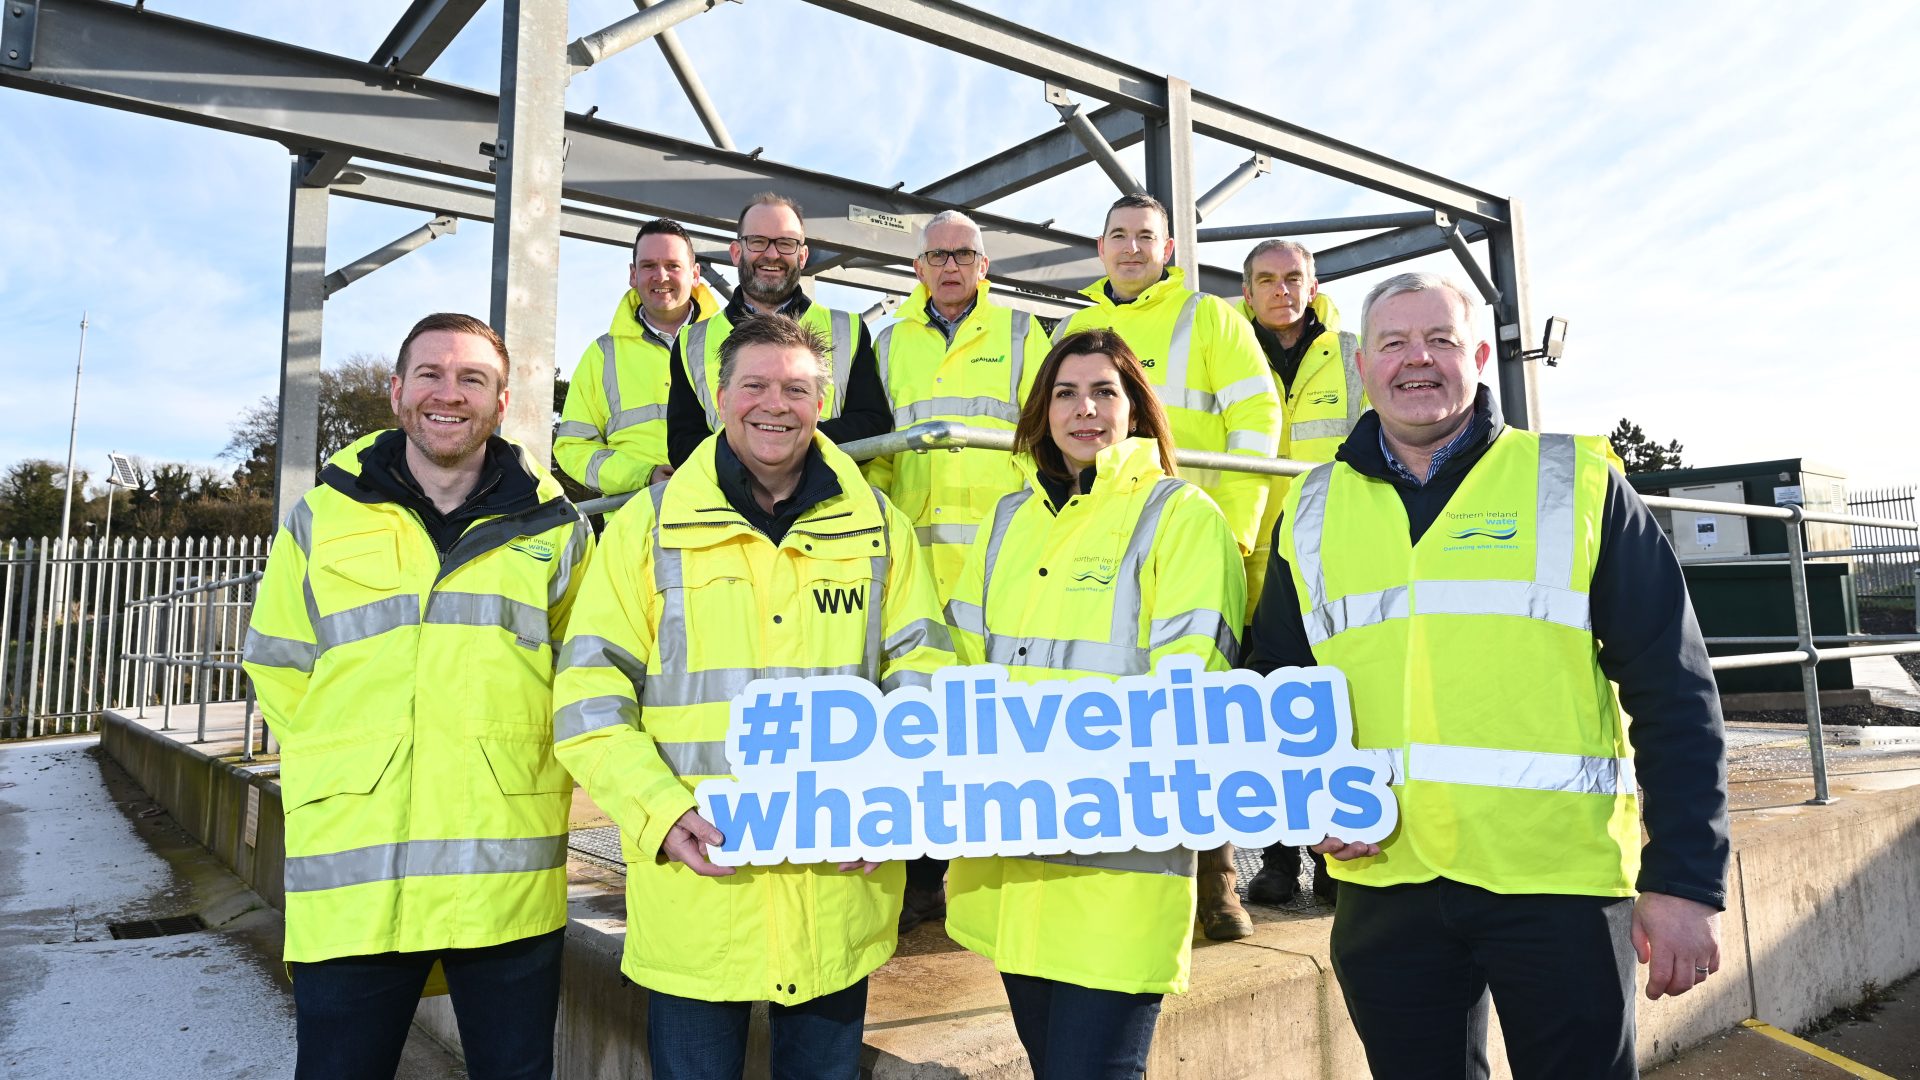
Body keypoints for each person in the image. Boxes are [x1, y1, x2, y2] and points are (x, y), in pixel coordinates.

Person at [1247, 272, 1729, 1079]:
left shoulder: (1573, 482)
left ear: (1478, 356)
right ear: (1362, 367)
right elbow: (1278, 685)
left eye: (1439, 340)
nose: (1417, 361)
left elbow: (1673, 690)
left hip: (1557, 883)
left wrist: (1684, 878)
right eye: (1395, 344)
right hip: (1383, 879)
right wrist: (1306, 803)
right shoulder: (1310, 506)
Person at [551, 313, 951, 1080]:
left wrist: (893, 797)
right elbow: (589, 694)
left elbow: (923, 673)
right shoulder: (649, 527)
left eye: (797, 388)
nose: (777, 404)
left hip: (835, 891)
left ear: (824, 399)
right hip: (701, 896)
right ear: (718, 394)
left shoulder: (879, 527)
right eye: (756, 385)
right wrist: (658, 812)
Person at [243, 313, 593, 1080]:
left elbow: (585, 679)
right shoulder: (324, 515)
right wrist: (349, 768)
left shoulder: (556, 527)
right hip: (359, 879)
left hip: (503, 871)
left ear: (502, 403)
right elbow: (278, 662)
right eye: (430, 374)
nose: (450, 393)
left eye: (474, 378)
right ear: (397, 390)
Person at [944, 328, 1246, 1079]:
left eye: (1105, 392)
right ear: (1042, 408)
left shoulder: (1181, 516)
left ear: (1137, 410)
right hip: (1012, 871)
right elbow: (955, 670)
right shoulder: (1005, 522)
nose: (1085, 410)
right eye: (1066, 392)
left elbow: (1193, 684)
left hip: (1116, 876)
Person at [1052, 192, 1280, 941]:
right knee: (1111, 712)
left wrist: (1233, 530)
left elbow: (1257, 423)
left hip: (1190, 539)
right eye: (1118, 235)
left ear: (1169, 248)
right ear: (1099, 245)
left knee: (1198, 712)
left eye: (1145, 236)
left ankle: (1216, 885)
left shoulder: (1212, 319)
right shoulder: (1074, 327)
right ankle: (1117, 877)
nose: (1130, 247)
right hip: (1101, 548)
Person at [864, 208, 1050, 932]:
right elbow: (872, 451)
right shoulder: (887, 344)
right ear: (917, 268)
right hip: (912, 562)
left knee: (989, 719)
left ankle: (980, 872)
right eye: (936, 255)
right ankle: (919, 877)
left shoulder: (1019, 336)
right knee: (912, 716)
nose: (949, 266)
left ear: (985, 266)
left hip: (998, 559)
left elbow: (1045, 437)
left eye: (963, 255)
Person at [1235, 238, 1366, 907]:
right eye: (1267, 280)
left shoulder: (1352, 355)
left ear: (1314, 286)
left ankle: (1340, 860)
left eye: (1293, 278)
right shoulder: (1225, 350)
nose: (1281, 290)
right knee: (1266, 721)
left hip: (1333, 561)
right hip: (1249, 563)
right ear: (1248, 289)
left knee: (1340, 712)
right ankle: (1279, 861)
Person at [665, 192, 890, 467]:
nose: (772, 254)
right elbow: (683, 443)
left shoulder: (849, 330)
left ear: (802, 255)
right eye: (758, 241)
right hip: (728, 506)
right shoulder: (690, 343)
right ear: (737, 252)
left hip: (828, 503)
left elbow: (871, 423)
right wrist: (758, 458)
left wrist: (783, 449)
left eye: (786, 243)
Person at [556, 218, 722, 494]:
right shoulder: (602, 355)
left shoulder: (735, 343)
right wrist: (642, 475)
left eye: (672, 265)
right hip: (635, 524)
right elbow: (572, 447)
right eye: (649, 266)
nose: (661, 276)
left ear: (695, 274)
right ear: (633, 274)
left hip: (724, 513)